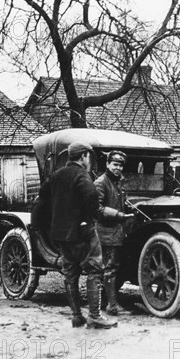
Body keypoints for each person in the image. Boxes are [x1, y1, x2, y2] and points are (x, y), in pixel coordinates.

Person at [39, 141, 116, 329]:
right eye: (89, 156)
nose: (89, 160)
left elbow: (43, 199)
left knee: (70, 275)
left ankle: (76, 316)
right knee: (95, 270)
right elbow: (92, 202)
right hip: (83, 234)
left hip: (61, 236)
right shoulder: (82, 176)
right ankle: (95, 316)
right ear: (83, 157)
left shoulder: (55, 176)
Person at [94, 150, 134, 316]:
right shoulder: (100, 183)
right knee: (110, 268)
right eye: (115, 164)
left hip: (116, 232)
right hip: (106, 232)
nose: (118, 168)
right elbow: (97, 208)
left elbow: (120, 201)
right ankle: (112, 305)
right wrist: (119, 215)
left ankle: (106, 301)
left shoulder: (118, 182)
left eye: (120, 165)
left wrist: (129, 207)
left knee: (115, 267)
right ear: (108, 164)